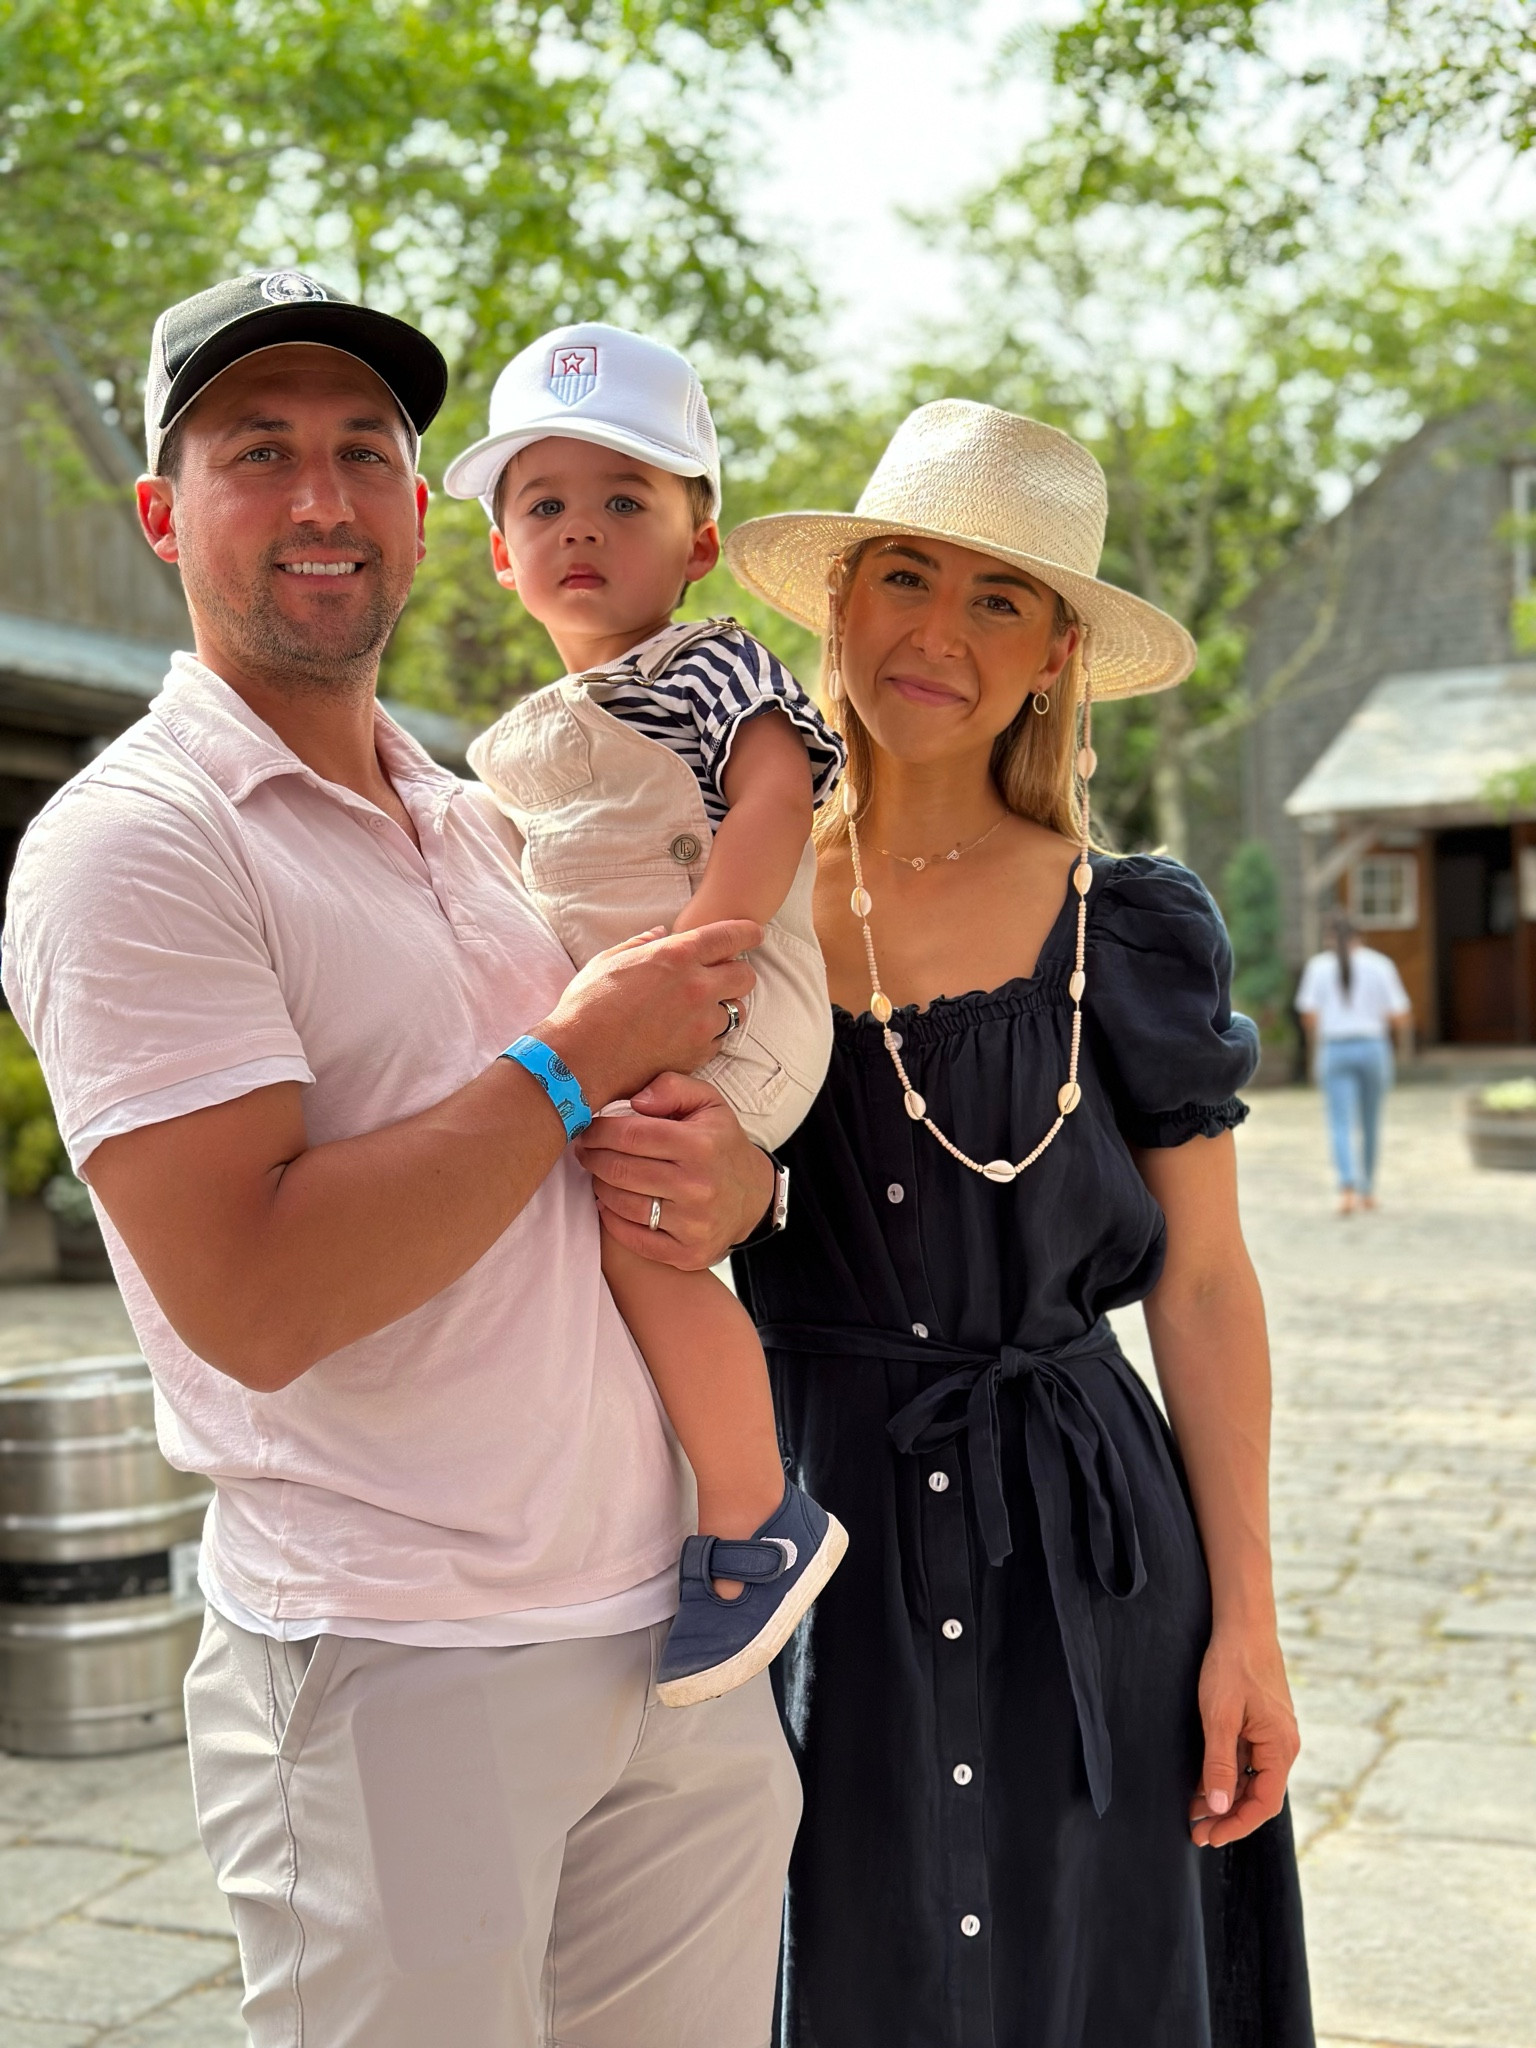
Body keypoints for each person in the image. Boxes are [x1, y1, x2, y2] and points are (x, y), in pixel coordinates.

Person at [0, 273, 802, 2048]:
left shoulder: (471, 811)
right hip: (397, 1665)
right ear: (161, 514)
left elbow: (630, 1140)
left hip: (670, 1629)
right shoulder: (132, 848)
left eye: (366, 452)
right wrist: (571, 1054)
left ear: (422, 519)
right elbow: (256, 1299)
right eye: (258, 452)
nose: (322, 498)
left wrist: (747, 1185)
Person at [716, 399, 1315, 2046]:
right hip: (807, 1542)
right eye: (905, 574)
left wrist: (1247, 1626)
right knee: (839, 1966)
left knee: (1095, 1966)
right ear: (840, 605)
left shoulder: (1127, 926)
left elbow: (1201, 1282)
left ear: (1055, 652)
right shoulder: (728, 905)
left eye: (999, 599)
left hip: (1091, 1555)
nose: (939, 630)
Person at [442, 323, 847, 1704]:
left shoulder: (711, 665)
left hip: (731, 999)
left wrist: (705, 959)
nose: (581, 532)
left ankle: (757, 1520)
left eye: (627, 501)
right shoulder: (525, 732)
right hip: (635, 1013)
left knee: (646, 1237)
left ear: (698, 541)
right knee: (583, 1224)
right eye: (544, 505)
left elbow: (778, 797)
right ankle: (661, 1488)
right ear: (501, 552)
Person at [1296, 914, 1413, 1214]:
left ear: (1328, 938)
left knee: (1340, 1123)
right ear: (1359, 936)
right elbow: (1400, 1013)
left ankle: (1346, 1187)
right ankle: (1368, 1190)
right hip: (1373, 1047)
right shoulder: (1380, 964)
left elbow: (1308, 1016)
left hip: (1335, 1048)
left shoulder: (1318, 966)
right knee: (1371, 1122)